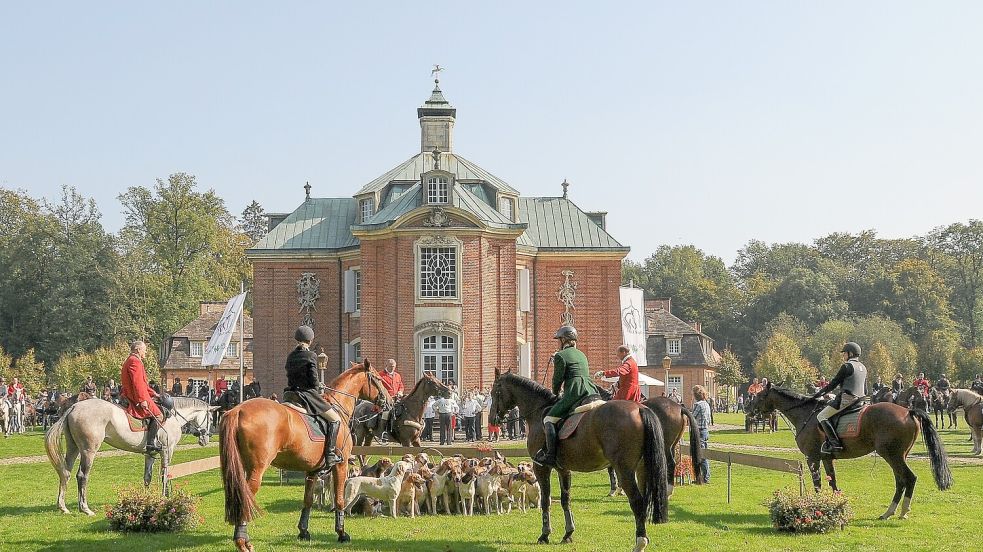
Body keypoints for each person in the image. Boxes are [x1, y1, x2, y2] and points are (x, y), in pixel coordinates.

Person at [534, 325, 601, 468]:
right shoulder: (582, 354)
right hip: (591, 390)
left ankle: (551, 456)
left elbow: (558, 379)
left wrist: (556, 392)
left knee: (549, 419)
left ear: (564, 340)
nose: (558, 342)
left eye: (559, 339)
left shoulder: (560, 355)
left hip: (574, 392)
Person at [283, 325, 342, 470]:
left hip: (290, 394)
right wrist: (319, 387)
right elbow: (314, 380)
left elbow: (290, 377)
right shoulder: (311, 356)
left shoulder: (290, 356)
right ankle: (330, 455)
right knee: (335, 419)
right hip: (307, 396)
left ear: (297, 339)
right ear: (310, 340)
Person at [811, 342, 867, 454]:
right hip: (861, 401)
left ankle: (834, 444)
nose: (843, 356)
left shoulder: (847, 366)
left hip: (847, 399)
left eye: (844, 353)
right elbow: (865, 389)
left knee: (821, 415)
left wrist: (818, 394)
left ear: (850, 353)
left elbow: (834, 383)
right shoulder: (863, 367)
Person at [120, 341, 164, 453]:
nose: (146, 352)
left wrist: (154, 394)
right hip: (136, 396)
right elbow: (137, 383)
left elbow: (142, 384)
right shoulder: (135, 361)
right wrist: (142, 399)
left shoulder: (131, 360)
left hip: (139, 394)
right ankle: (150, 443)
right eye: (144, 349)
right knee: (158, 416)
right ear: (138, 350)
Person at [691, 385, 712, 483]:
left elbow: (692, 417)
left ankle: (705, 477)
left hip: (699, 431)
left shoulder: (698, 405)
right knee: (704, 453)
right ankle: (704, 476)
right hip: (705, 430)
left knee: (701, 455)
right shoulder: (706, 404)